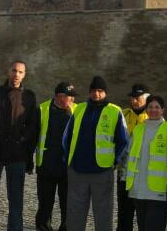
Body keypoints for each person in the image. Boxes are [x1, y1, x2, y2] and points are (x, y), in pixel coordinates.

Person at [0, 60, 38, 231]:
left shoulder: (29, 96)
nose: (16, 74)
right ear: (8, 71)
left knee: (16, 201)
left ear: (24, 75)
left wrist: (22, 140)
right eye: (14, 70)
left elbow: (33, 125)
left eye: (20, 72)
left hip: (17, 153)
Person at [63, 76, 128, 231]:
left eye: (100, 91)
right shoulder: (79, 109)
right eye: (93, 90)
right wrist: (68, 160)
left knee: (103, 213)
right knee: (75, 212)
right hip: (77, 170)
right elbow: (67, 136)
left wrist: (114, 162)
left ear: (105, 92)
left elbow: (123, 141)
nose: (96, 94)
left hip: (102, 171)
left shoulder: (115, 111)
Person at [123, 95, 167, 231]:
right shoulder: (138, 129)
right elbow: (128, 156)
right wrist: (124, 179)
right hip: (138, 189)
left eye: (157, 107)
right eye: (150, 107)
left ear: (163, 110)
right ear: (146, 109)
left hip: (159, 191)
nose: (153, 110)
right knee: (142, 226)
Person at [35, 82, 77, 231]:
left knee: (68, 204)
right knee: (45, 203)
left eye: (72, 97)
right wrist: (27, 160)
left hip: (69, 167)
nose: (71, 100)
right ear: (58, 96)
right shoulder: (42, 109)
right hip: (47, 165)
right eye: (68, 96)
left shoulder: (78, 111)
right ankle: (43, 227)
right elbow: (33, 135)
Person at [117, 83, 150, 231]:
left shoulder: (152, 116)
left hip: (143, 173)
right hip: (124, 172)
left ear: (146, 98)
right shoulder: (123, 114)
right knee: (124, 212)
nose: (134, 101)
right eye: (132, 97)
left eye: (138, 98)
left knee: (143, 213)